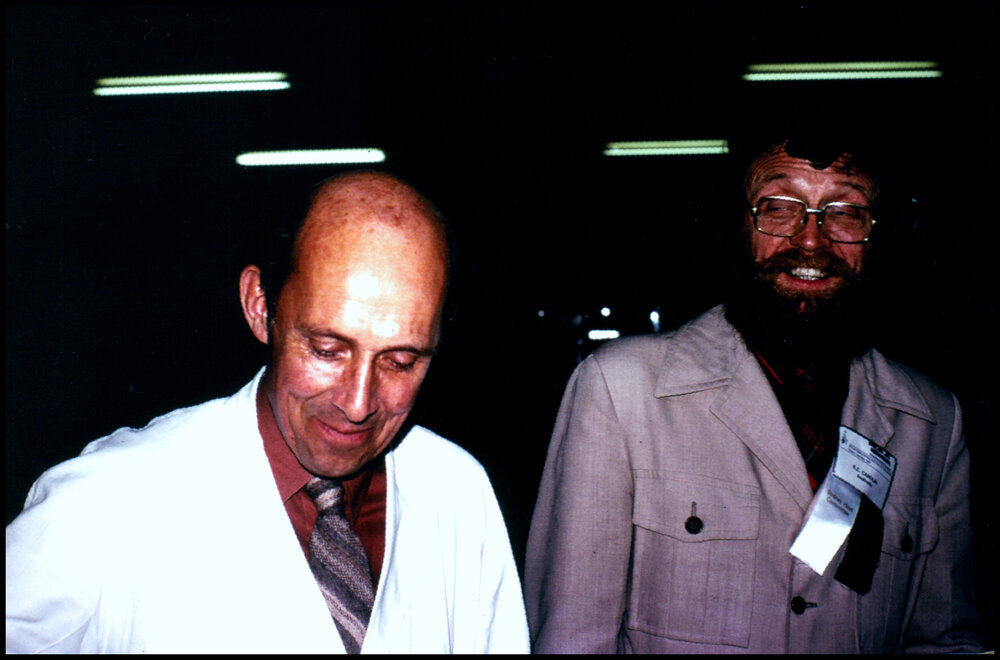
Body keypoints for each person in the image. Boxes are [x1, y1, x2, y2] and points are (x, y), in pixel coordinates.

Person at [6, 171, 530, 654]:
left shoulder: (458, 493)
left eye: (401, 361)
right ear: (261, 306)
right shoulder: (105, 503)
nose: (358, 403)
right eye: (327, 350)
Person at [524, 136, 986, 653]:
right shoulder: (620, 390)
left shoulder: (932, 423)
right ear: (738, 227)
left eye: (845, 212)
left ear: (879, 237)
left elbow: (945, 641)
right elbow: (571, 640)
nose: (811, 240)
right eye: (779, 208)